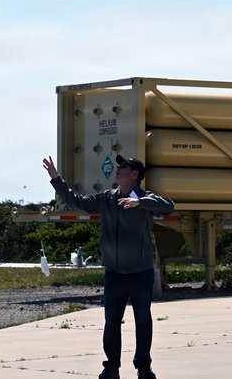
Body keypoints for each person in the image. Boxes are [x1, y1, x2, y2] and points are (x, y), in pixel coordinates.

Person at [43, 154, 174, 379]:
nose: (118, 168)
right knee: (112, 322)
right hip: (114, 273)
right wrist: (56, 179)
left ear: (134, 174)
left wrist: (139, 203)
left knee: (143, 321)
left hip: (140, 273)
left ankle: (144, 367)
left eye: (123, 166)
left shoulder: (145, 198)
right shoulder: (107, 198)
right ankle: (111, 368)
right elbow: (76, 201)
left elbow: (169, 206)